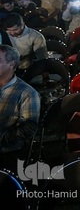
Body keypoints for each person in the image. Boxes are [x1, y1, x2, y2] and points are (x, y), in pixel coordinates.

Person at [0, 44, 40, 173]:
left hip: (6, 153)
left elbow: (29, 127)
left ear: (12, 65)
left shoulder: (27, 93)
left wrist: (3, 139)